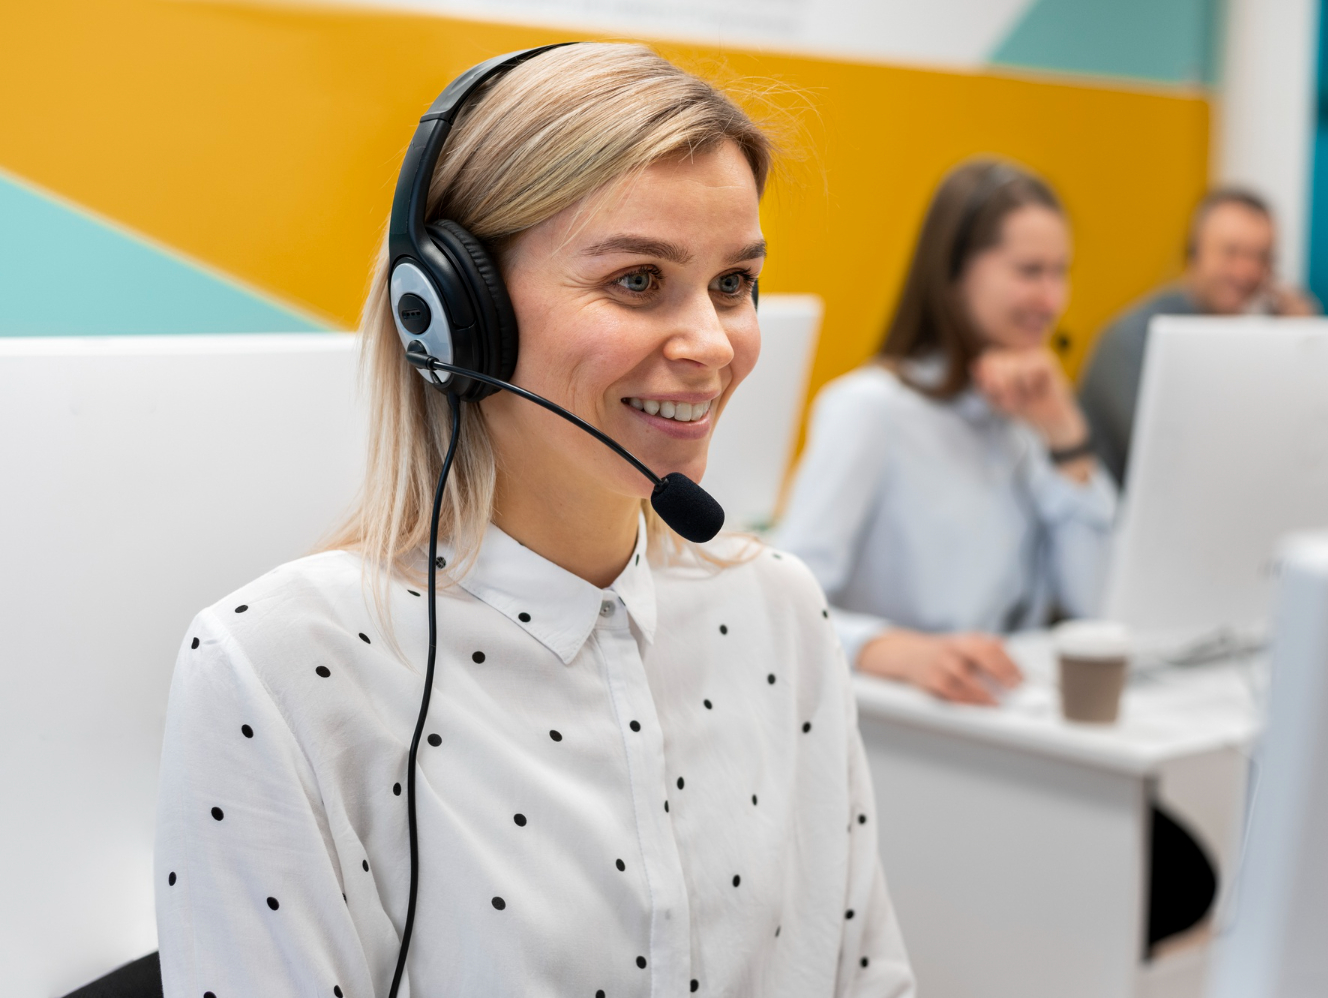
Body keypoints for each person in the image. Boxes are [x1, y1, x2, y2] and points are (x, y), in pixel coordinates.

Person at [154, 44, 914, 997]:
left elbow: (862, 973)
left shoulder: (777, 609)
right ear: (454, 317)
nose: (714, 344)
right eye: (639, 280)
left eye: (733, 283)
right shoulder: (279, 668)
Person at [776, 159, 1115, 706]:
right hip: (910, 724)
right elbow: (785, 606)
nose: (1051, 300)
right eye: (1030, 271)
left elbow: (1097, 605)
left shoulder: (1028, 420)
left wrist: (1065, 434)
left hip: (1009, 708)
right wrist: (901, 652)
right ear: (955, 272)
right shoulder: (870, 410)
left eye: (1060, 272)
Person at [1078, 187, 1316, 485]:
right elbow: (1181, 458)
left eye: (1263, 258)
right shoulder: (1131, 339)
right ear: (1193, 253)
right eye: (1232, 252)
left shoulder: (1244, 337)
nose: (1248, 271)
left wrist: (1302, 349)